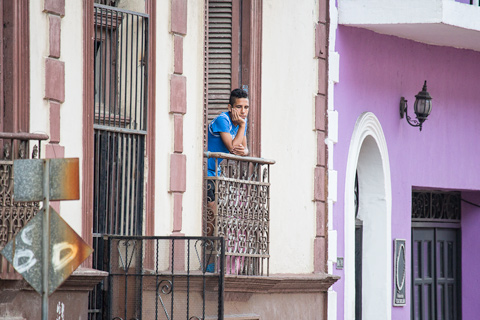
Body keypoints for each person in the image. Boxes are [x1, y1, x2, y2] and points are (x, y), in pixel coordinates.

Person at [205, 88, 249, 235]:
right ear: (230, 107)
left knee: (218, 212)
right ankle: (207, 244)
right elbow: (233, 148)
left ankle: (210, 246)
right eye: (239, 107)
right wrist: (242, 126)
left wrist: (246, 151)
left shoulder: (243, 121)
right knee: (212, 209)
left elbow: (244, 149)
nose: (243, 111)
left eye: (246, 107)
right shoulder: (222, 120)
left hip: (216, 172)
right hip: (205, 170)